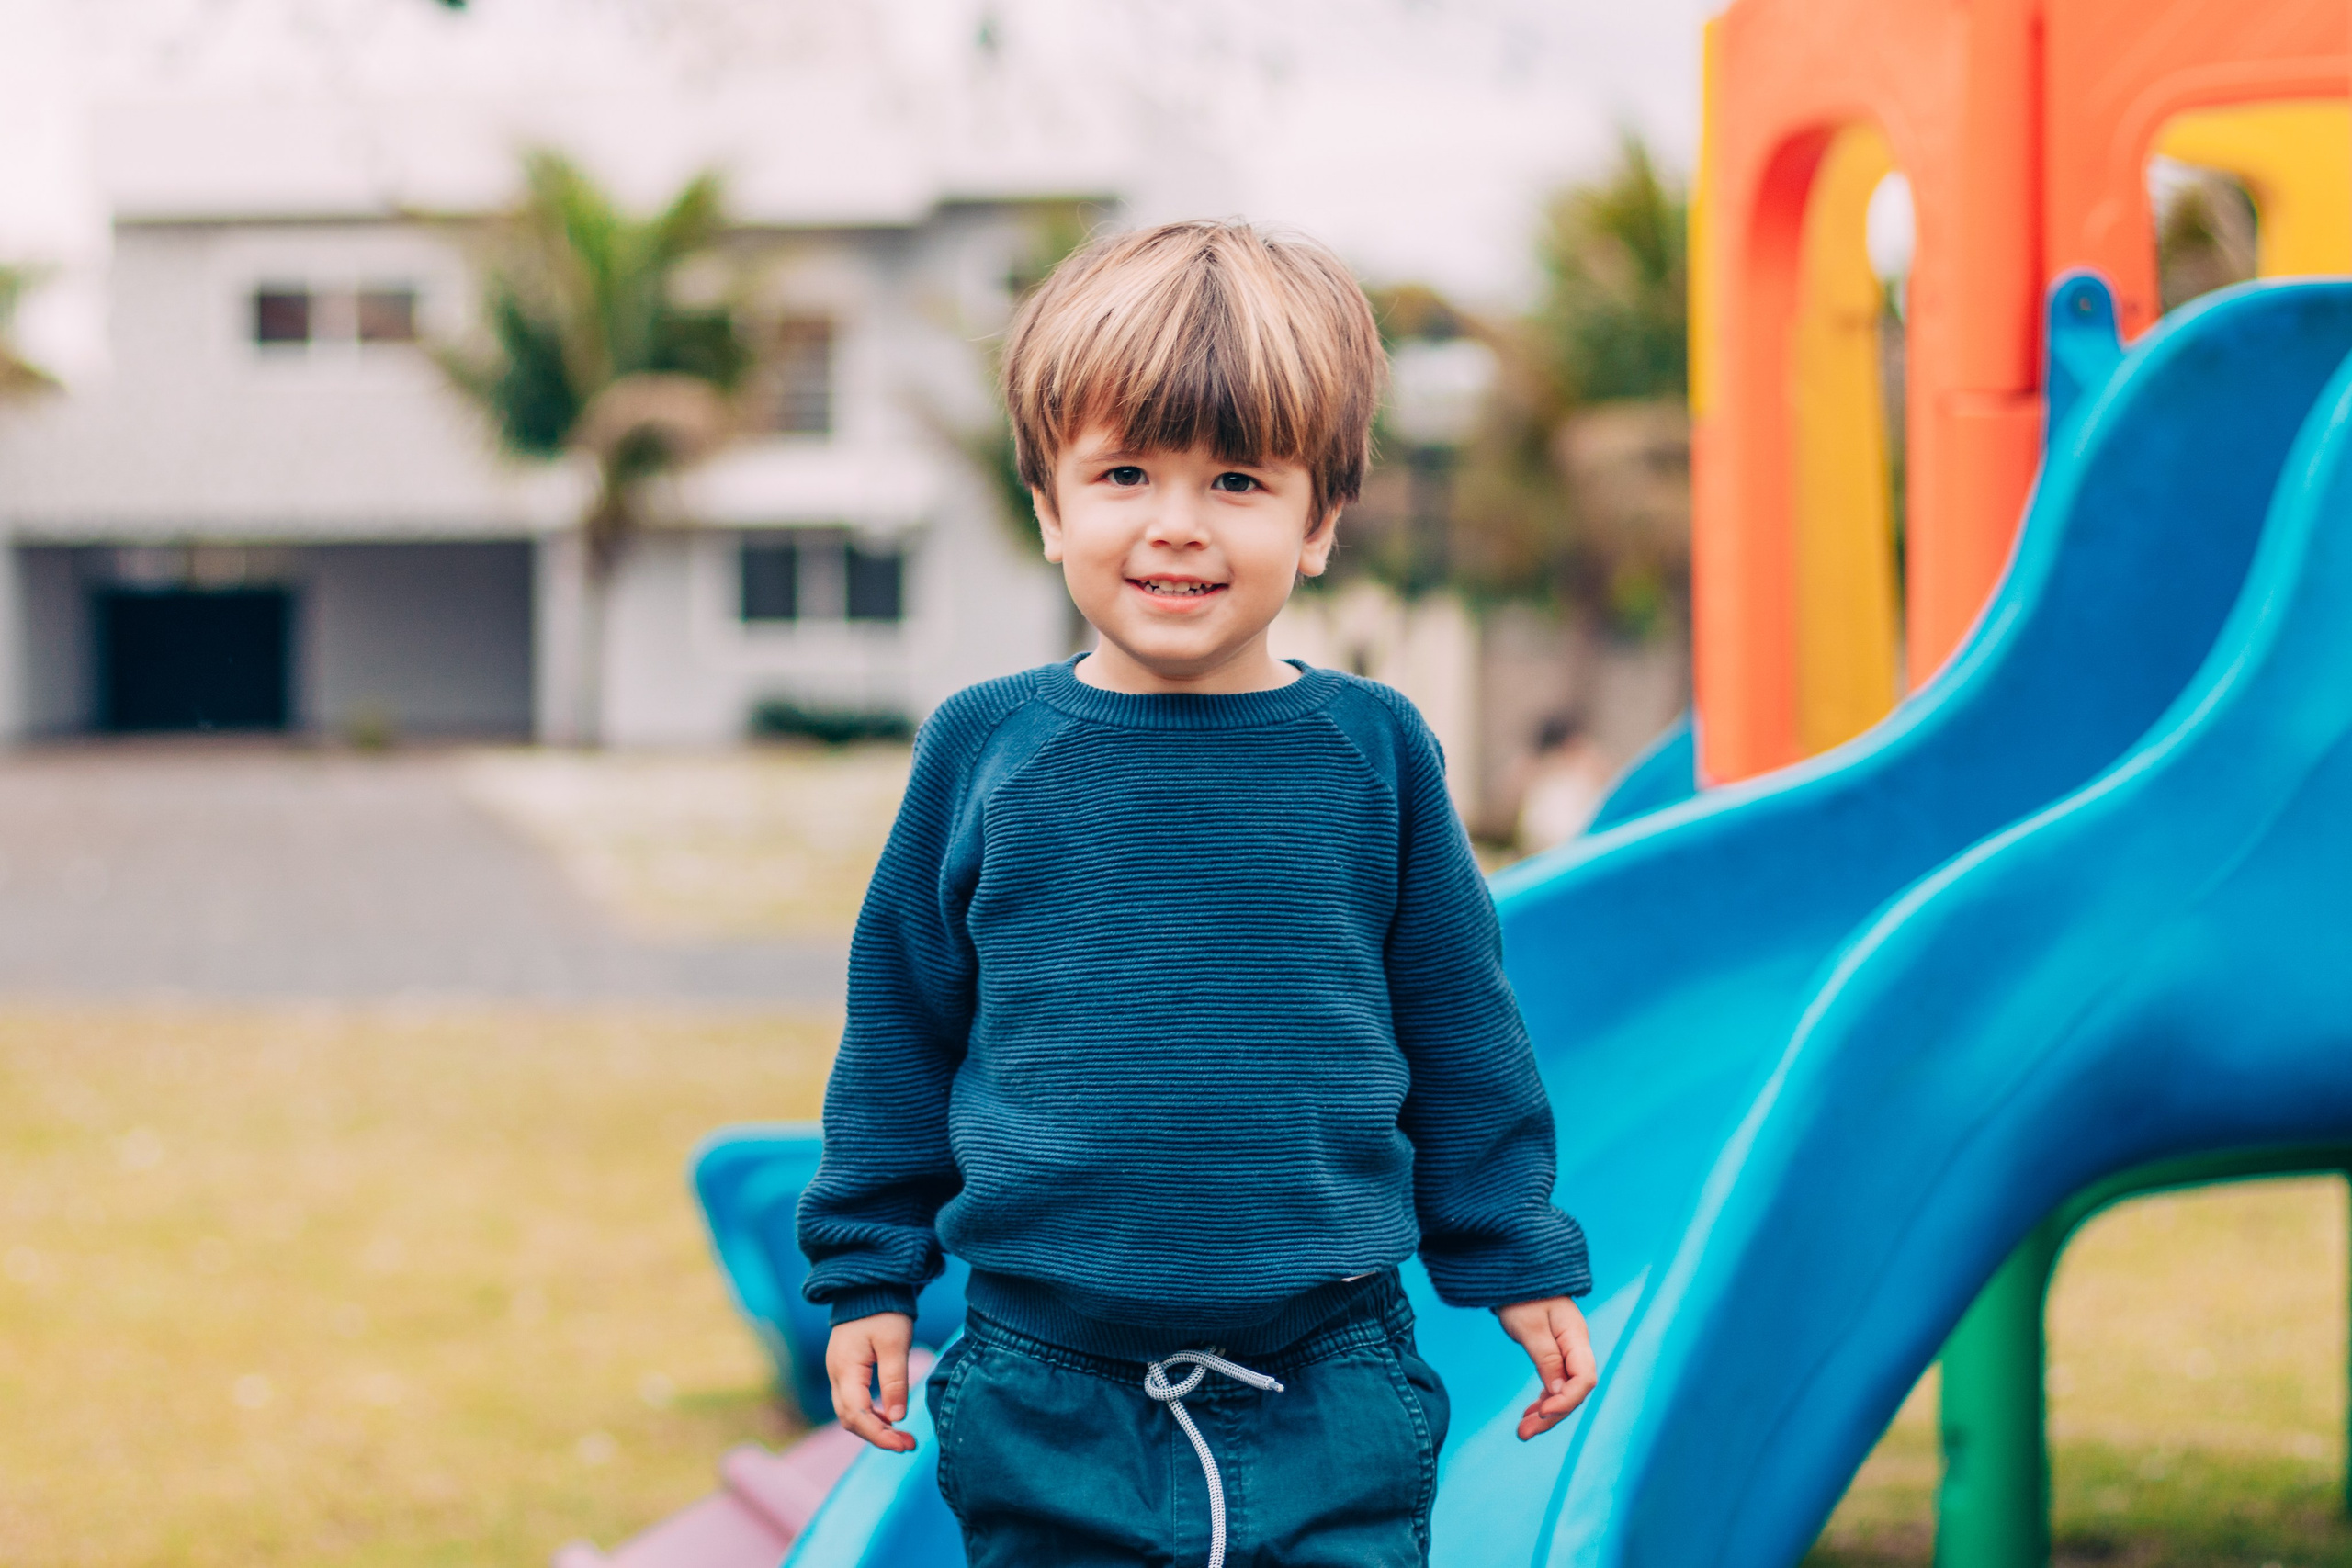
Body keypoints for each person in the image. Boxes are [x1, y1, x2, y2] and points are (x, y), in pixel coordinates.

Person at [797, 220, 1595, 1568]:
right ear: (1050, 509)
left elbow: (1461, 1028)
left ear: (1321, 520)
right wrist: (870, 1271)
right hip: (1044, 1379)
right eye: (1122, 473)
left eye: (1236, 479)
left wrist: (1514, 1251)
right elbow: (901, 1031)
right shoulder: (985, 750)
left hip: (1329, 1374)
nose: (1175, 524)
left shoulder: (1374, 751)